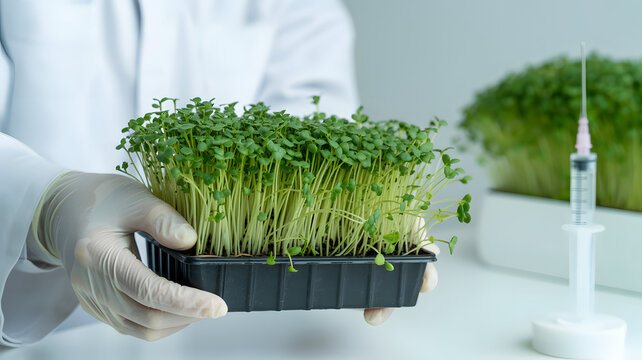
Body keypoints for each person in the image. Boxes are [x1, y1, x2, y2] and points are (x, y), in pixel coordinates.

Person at [0, 0, 439, 346]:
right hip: (37, 331)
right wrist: (47, 206)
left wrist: (367, 208)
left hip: (238, 340)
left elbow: (317, 127)